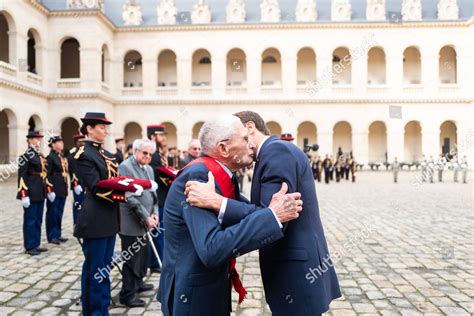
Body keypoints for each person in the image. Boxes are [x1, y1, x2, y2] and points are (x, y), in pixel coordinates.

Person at [186, 111, 341, 315]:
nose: (244, 144)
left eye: (242, 136)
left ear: (250, 128)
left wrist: (218, 202)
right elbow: (266, 211)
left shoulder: (275, 152)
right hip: (298, 265)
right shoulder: (273, 152)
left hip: (296, 269)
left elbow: (274, 216)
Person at [157, 115, 303, 315]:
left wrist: (270, 214)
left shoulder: (222, 174)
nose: (252, 144)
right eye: (244, 139)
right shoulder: (200, 176)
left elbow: (246, 212)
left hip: (208, 288)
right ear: (223, 148)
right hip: (192, 297)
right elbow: (212, 248)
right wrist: (272, 216)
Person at [74, 112, 137, 315]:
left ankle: (101, 307)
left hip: (110, 216)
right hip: (95, 218)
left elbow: (113, 179)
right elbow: (95, 186)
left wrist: (127, 187)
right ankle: (94, 311)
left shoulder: (107, 154)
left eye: (106, 127)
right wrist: (123, 191)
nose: (106, 131)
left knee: (104, 267)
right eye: (102, 127)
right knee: (95, 269)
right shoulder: (83, 154)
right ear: (90, 129)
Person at [118, 139, 159, 307]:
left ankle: (139, 282)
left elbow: (153, 195)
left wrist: (155, 214)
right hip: (131, 221)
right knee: (132, 259)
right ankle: (127, 294)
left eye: (150, 154)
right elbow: (130, 197)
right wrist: (145, 217)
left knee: (143, 256)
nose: (148, 156)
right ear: (135, 151)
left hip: (147, 220)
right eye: (144, 153)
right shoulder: (126, 167)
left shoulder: (149, 169)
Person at [17, 131, 50, 256]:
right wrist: (24, 194)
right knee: (30, 219)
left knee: (38, 219)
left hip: (40, 190)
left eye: (39, 139)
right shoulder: (25, 156)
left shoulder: (39, 155)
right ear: (30, 140)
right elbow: (22, 176)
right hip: (31, 190)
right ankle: (29, 245)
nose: (39, 141)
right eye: (36, 139)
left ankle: (36, 243)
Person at [147, 124, 169, 272]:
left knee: (160, 232)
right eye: (161, 135)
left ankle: (155, 261)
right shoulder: (153, 156)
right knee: (158, 233)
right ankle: (157, 261)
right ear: (153, 137)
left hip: (163, 197)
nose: (164, 138)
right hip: (157, 199)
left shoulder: (159, 155)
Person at [45, 135, 69, 245]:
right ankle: (52, 235)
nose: (62, 143)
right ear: (53, 145)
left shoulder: (61, 156)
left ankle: (58, 234)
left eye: (61, 141)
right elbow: (47, 175)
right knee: (52, 213)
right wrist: (49, 190)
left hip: (62, 188)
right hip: (54, 188)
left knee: (59, 212)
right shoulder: (50, 158)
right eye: (59, 142)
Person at [68, 134, 85, 225]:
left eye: (83, 141)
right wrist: (75, 184)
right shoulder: (72, 155)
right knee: (78, 204)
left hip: (86, 184)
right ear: (76, 143)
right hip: (78, 185)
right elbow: (72, 171)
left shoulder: (85, 153)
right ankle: (77, 223)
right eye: (80, 142)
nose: (82, 143)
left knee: (85, 206)